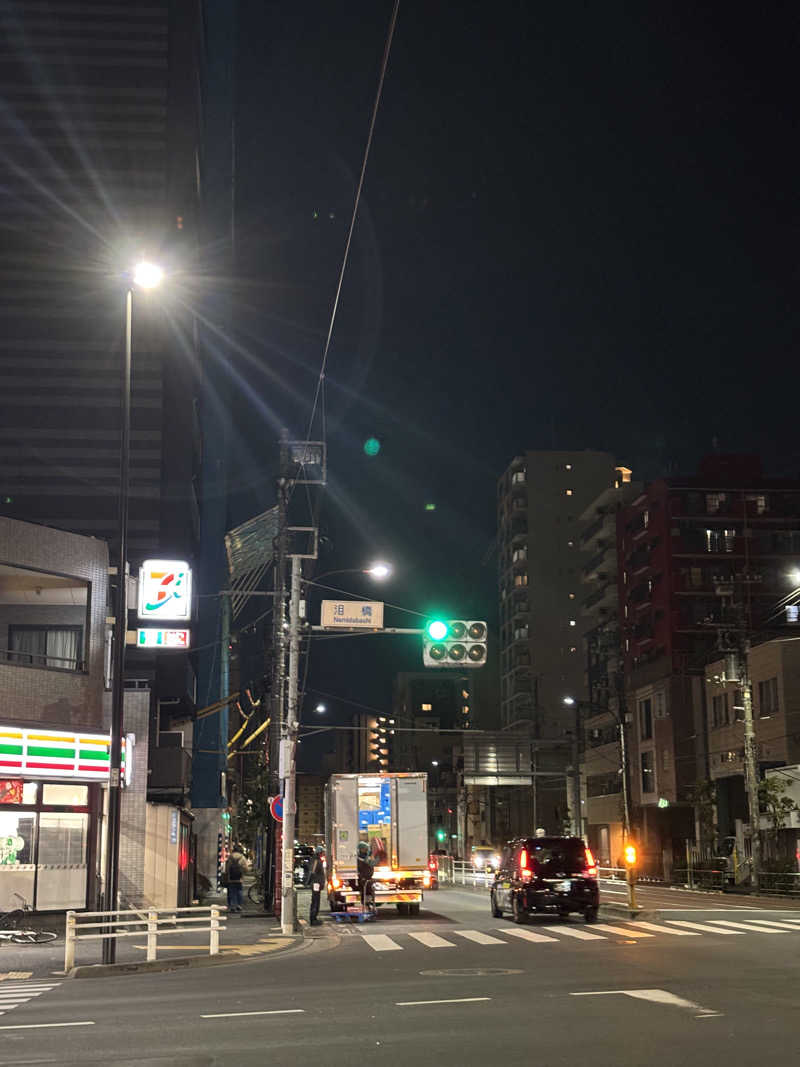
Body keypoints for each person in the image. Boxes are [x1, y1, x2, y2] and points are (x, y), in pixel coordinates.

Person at [225, 844, 249, 913]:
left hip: (231, 878)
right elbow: (246, 868)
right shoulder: (242, 857)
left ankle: (232, 906)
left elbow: (227, 868)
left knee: (232, 892)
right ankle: (239, 905)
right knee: (239, 891)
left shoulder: (230, 857)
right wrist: (243, 872)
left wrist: (228, 874)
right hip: (239, 878)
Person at [307, 845, 325, 925]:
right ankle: (313, 919)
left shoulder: (317, 860)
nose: (323, 854)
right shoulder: (316, 861)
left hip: (317, 883)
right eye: (322, 852)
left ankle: (314, 918)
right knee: (315, 901)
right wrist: (309, 882)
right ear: (319, 853)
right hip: (316, 884)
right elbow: (312, 872)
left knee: (316, 901)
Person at [357, 841, 374, 909]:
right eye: (363, 849)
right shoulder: (358, 859)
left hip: (368, 878)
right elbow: (358, 869)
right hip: (362, 878)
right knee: (363, 890)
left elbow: (371, 869)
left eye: (366, 849)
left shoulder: (368, 858)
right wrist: (361, 877)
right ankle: (365, 904)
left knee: (369, 890)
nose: (365, 850)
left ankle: (368, 903)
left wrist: (369, 876)